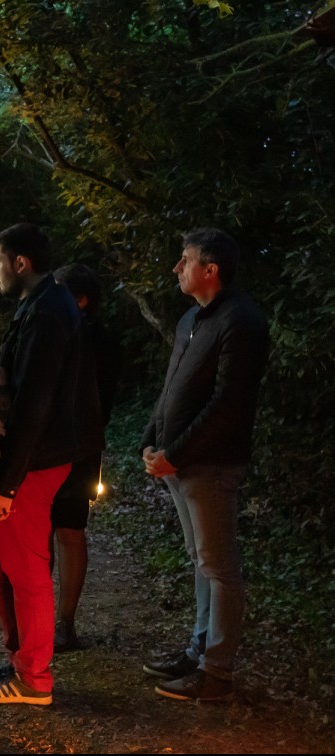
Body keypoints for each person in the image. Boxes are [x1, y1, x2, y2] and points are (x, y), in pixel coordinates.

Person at [0, 223, 98, 705]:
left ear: (20, 263)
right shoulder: (41, 305)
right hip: (30, 459)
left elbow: (35, 402)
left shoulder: (48, 311)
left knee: (26, 568)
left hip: (35, 462)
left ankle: (33, 677)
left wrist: (6, 483)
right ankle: (22, 654)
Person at [140, 228, 269, 702]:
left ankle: (217, 672)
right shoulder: (191, 319)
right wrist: (151, 440)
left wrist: (176, 453)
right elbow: (172, 385)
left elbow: (228, 403)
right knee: (202, 561)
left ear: (210, 269)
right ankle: (200, 650)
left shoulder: (241, 320)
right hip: (179, 464)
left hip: (210, 465)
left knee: (219, 567)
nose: (177, 267)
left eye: (185, 259)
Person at [50, 264, 122, 652]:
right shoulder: (97, 338)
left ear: (80, 300)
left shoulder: (80, 338)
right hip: (82, 447)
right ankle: (58, 621)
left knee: (65, 529)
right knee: (68, 530)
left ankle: (61, 622)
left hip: (68, 448)